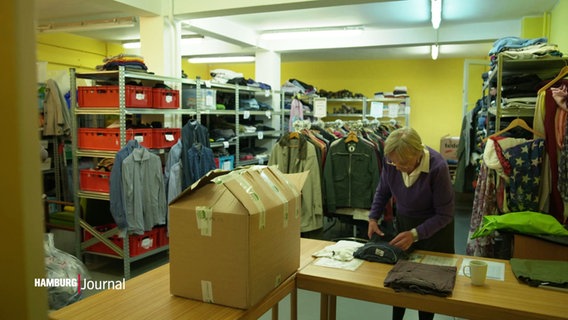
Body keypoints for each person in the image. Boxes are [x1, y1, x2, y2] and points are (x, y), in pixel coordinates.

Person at [368, 127, 455, 320]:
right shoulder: (392, 160)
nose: (397, 167)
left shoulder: (437, 167)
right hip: (406, 224)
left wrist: (415, 234)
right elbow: (383, 191)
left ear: (417, 153)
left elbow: (445, 214)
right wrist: (373, 218)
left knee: (426, 287)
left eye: (404, 163)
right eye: (393, 162)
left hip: (435, 231)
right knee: (398, 280)